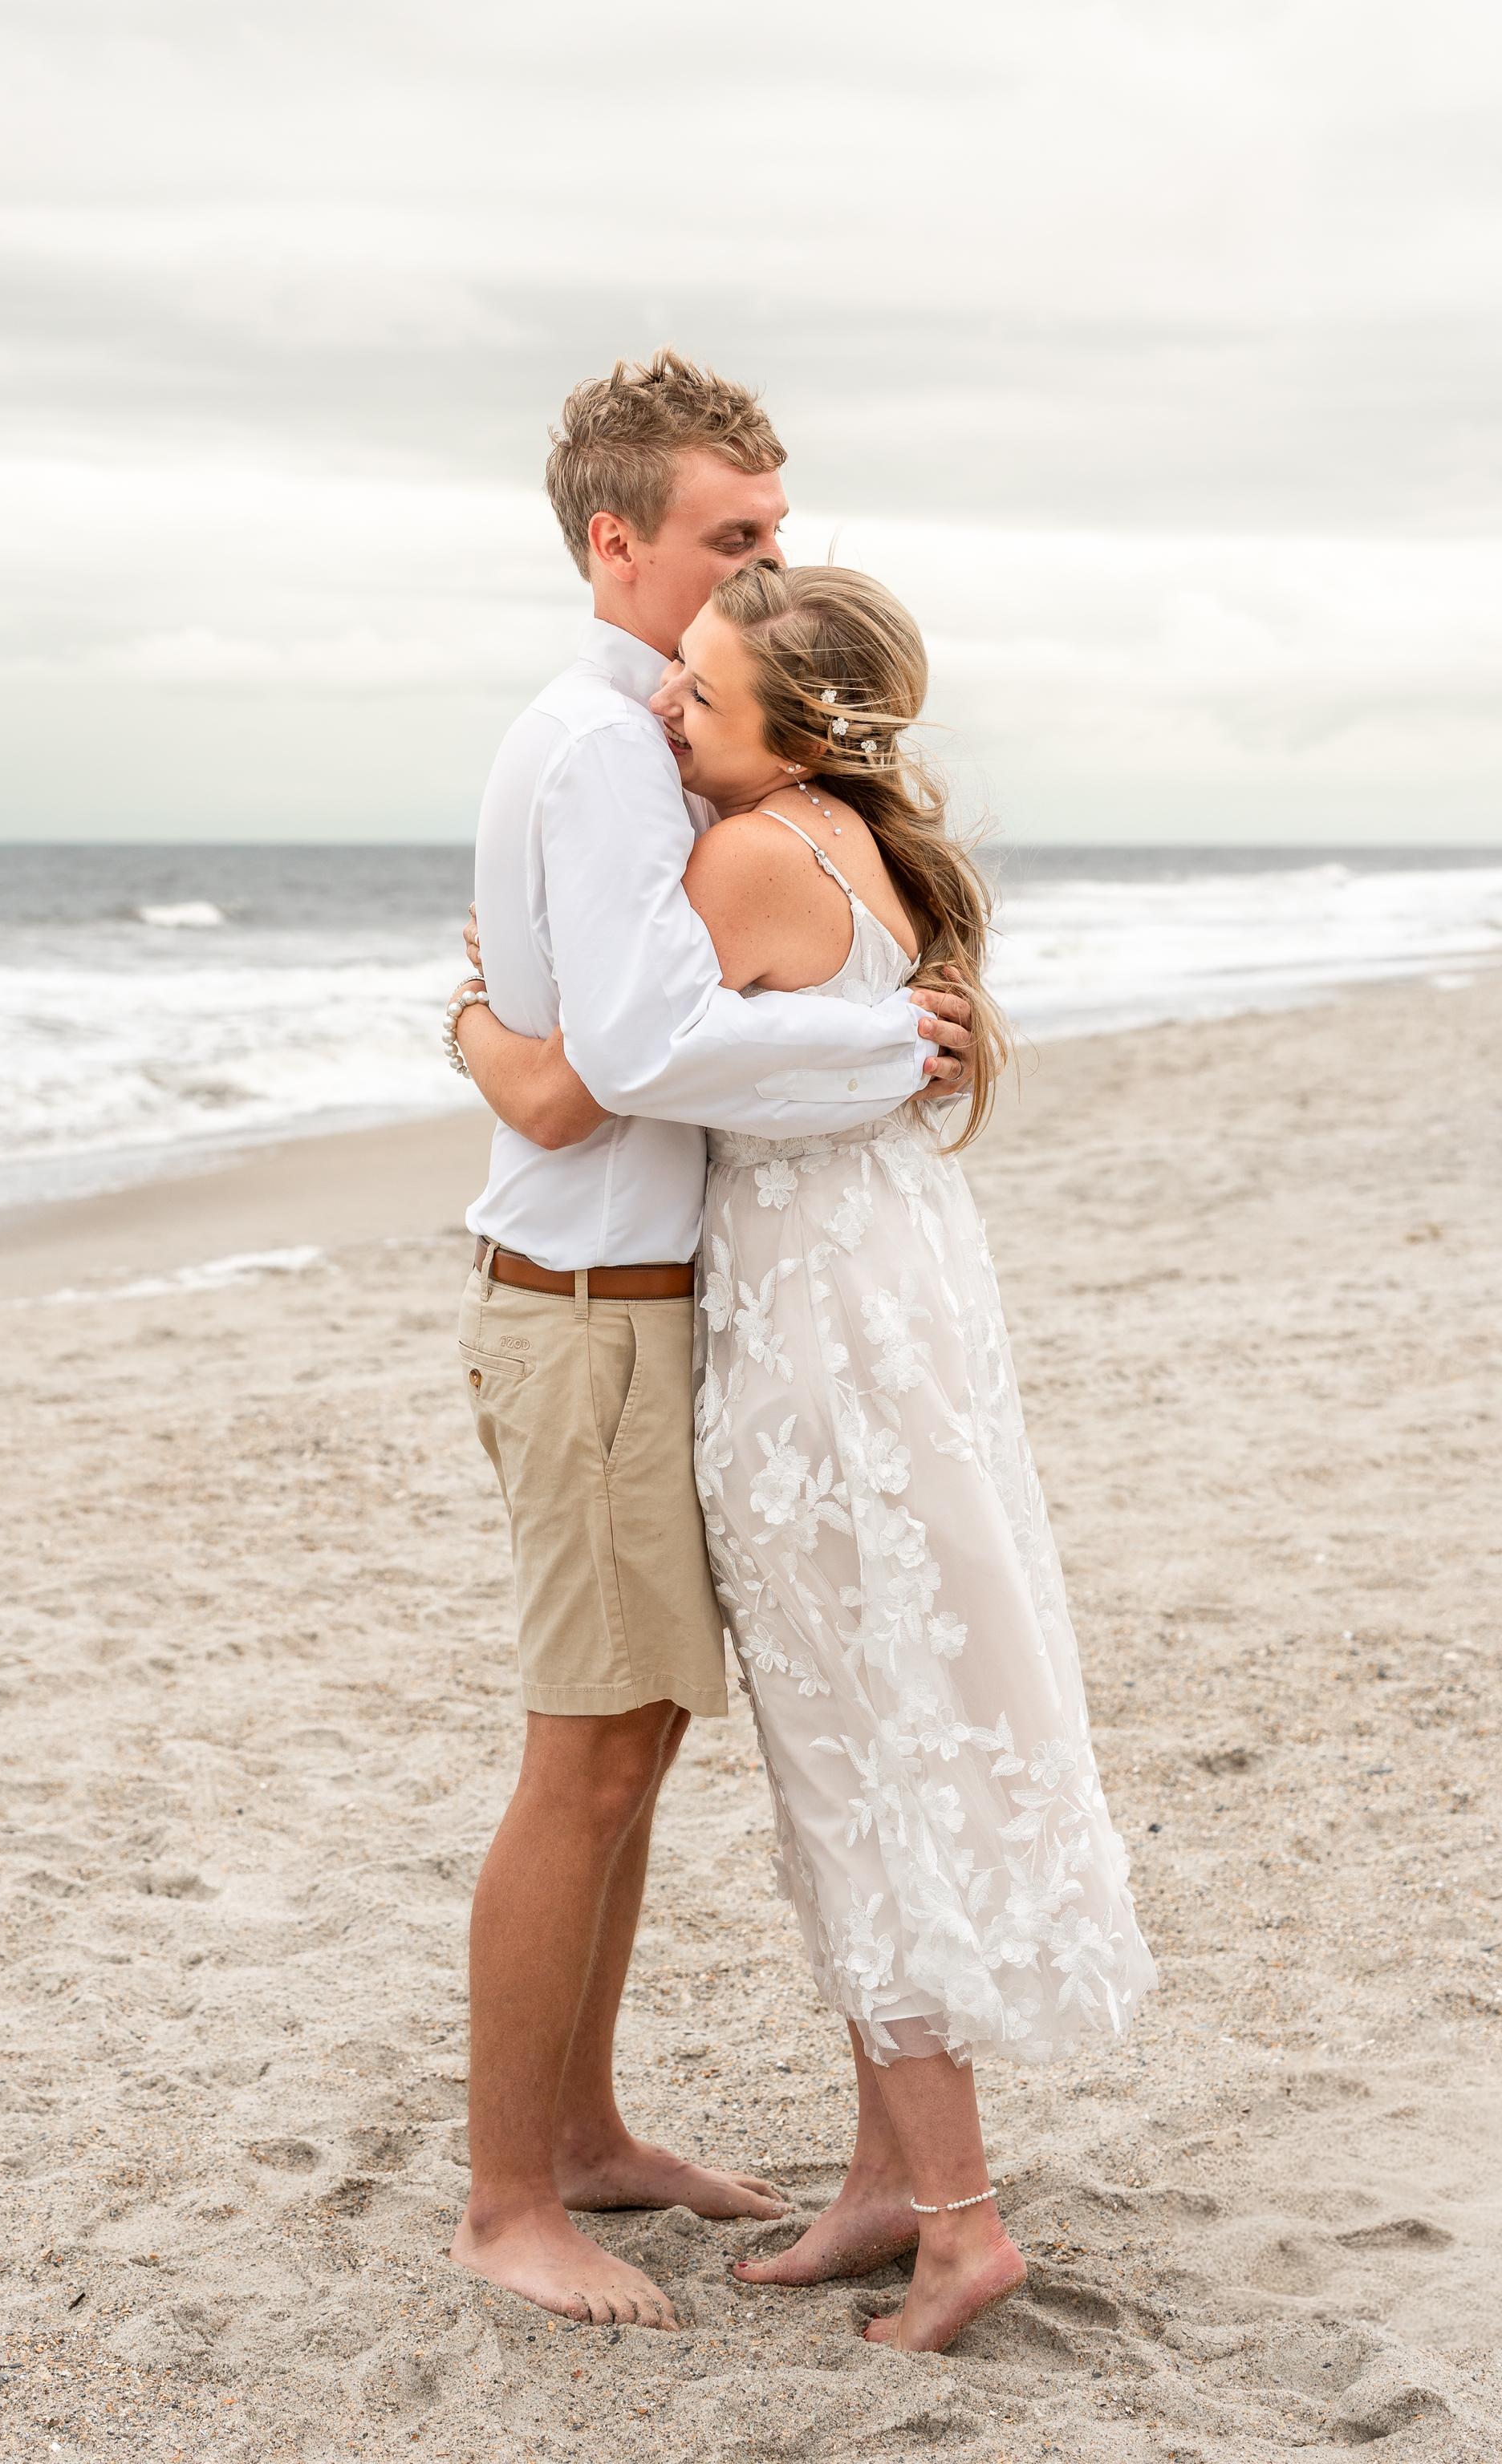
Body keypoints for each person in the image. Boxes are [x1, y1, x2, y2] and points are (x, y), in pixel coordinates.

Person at [453, 557, 1158, 2353]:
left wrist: (480, 1029)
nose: (667, 712)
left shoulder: (746, 854)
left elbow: (620, 1060)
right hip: (889, 1301)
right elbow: (802, 1060)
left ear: (793, 727)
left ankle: (954, 2218)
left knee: (861, 1745)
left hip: (814, 1340)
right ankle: (884, 2181)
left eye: (698, 691)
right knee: (884, 1716)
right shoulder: (858, 836)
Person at [443, 351, 975, 2333]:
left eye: (774, 529)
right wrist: (888, 1040)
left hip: (640, 1308)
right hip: (587, 1314)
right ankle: (511, 2199)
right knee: (583, 1759)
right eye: (728, 537)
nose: (767, 567)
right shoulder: (597, 750)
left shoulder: (649, 747)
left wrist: (497, 1042)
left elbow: (581, 1059)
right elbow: (623, 1068)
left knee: (633, 1750)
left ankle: (580, 2133)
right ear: (615, 541)